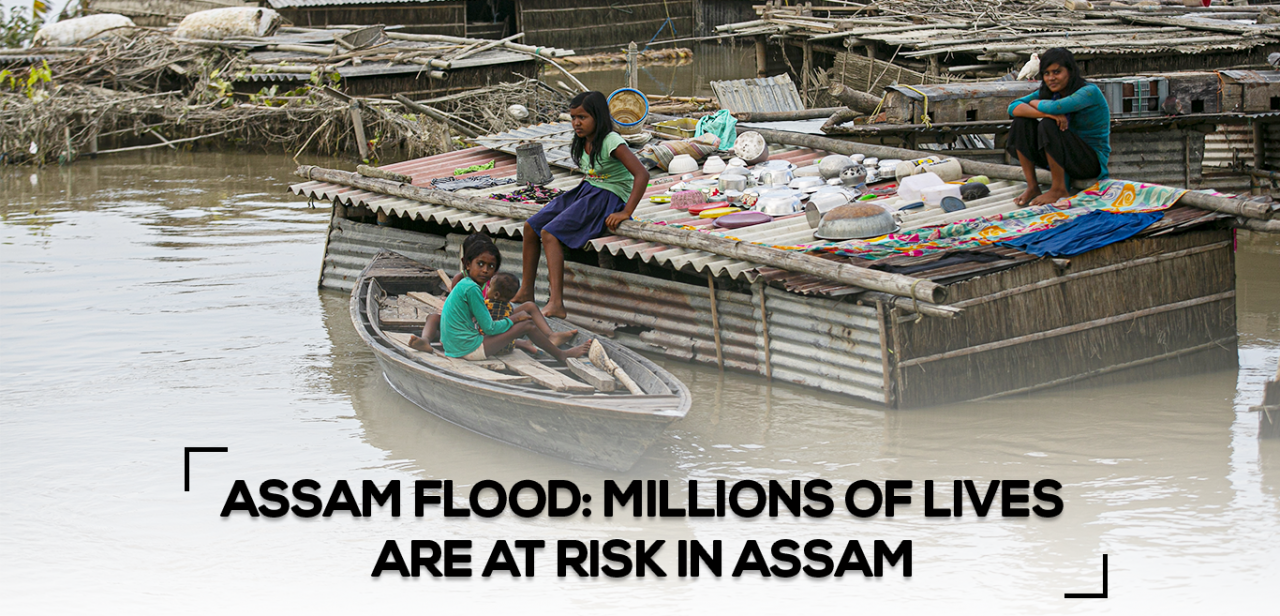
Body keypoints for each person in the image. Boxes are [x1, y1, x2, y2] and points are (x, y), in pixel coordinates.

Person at [512, 90, 651, 319]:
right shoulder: (582, 141)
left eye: (583, 117)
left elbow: (642, 175)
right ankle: (527, 290)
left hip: (609, 196)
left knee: (549, 233)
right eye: (573, 118)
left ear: (598, 117)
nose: (576, 123)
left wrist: (626, 211)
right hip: (589, 190)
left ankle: (556, 303)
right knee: (531, 226)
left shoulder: (611, 140)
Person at [411, 239, 589, 364]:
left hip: (455, 346)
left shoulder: (466, 284)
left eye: (491, 266)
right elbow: (489, 328)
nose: (485, 270)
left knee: (518, 321)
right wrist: (514, 319)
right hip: (467, 349)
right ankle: (561, 355)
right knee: (527, 325)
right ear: (468, 264)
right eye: (480, 264)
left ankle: (536, 344)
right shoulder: (472, 288)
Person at [1006, 47, 1111, 207]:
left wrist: (1036, 105)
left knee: (1048, 124)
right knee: (1021, 122)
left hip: (1088, 162)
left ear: (1070, 71)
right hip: (1061, 156)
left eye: (1057, 72)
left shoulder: (1089, 92)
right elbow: (1013, 107)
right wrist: (1046, 114)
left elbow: (1057, 107)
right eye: (1046, 73)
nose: (1051, 78)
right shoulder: (1049, 92)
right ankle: (1032, 186)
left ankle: (1059, 189)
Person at [483, 272, 578, 355]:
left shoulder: (486, 305)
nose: (487, 288)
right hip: (495, 342)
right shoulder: (506, 307)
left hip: (496, 338)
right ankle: (525, 343)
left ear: (496, 294)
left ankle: (550, 335)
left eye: (489, 287)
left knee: (529, 306)